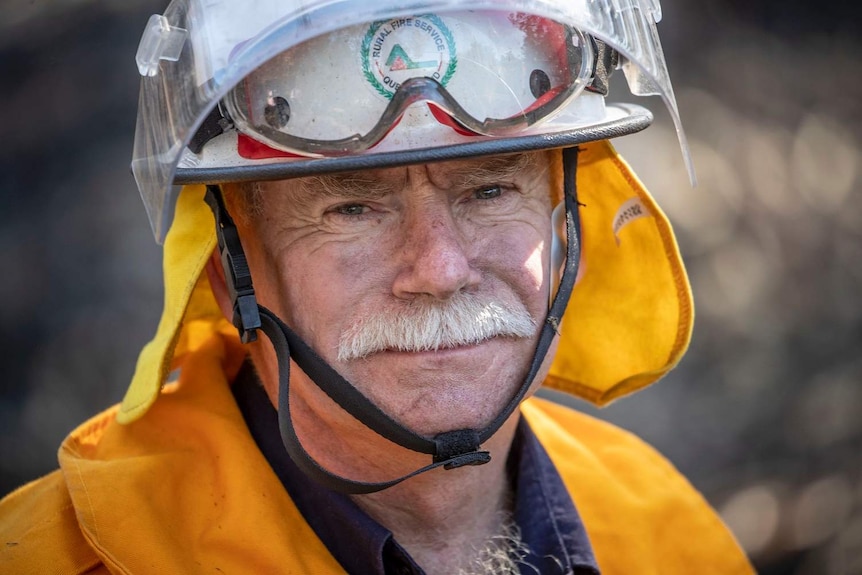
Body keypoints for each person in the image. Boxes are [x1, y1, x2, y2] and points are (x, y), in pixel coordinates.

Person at [1, 1, 754, 573]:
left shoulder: (668, 535)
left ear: (569, 231)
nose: (439, 268)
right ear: (227, 266)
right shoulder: (54, 554)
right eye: (352, 207)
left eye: (489, 191)